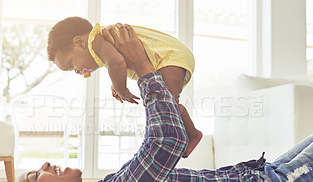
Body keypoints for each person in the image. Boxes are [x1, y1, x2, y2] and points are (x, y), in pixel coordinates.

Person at [0, 25, 313, 182]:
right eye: (34, 176)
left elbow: (167, 144)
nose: (44, 165)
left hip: (269, 181)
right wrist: (143, 68)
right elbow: (165, 141)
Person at [46, 16, 202, 158]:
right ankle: (191, 135)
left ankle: (188, 137)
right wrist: (116, 82)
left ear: (79, 43)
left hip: (169, 57)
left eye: (71, 64)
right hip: (168, 59)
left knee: (165, 108)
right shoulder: (100, 46)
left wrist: (120, 88)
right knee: (168, 108)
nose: (76, 70)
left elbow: (117, 63)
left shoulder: (96, 41)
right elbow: (115, 65)